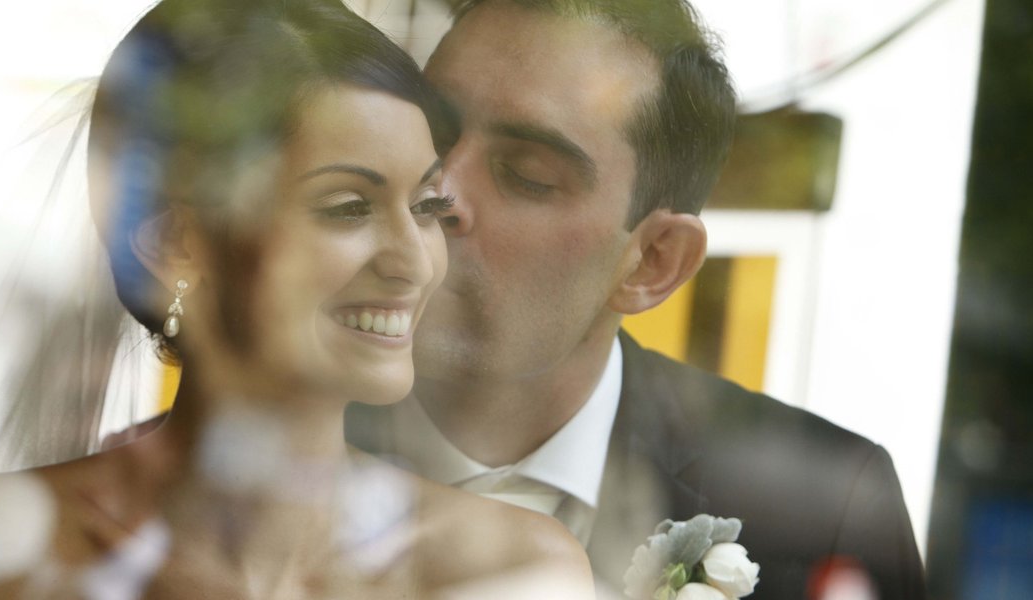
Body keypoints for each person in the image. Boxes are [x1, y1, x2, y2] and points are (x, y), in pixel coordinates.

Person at [0, 0, 593, 598]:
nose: (414, 262)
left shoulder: (517, 574)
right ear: (178, 243)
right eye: (347, 206)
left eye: (428, 207)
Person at [346, 0, 928, 598]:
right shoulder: (270, 428)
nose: (438, 192)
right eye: (433, 134)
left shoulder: (827, 513)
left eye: (526, 174)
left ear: (655, 262)